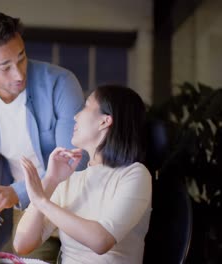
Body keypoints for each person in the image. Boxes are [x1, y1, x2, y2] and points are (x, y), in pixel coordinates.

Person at [0, 10, 86, 255]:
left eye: (21, 58)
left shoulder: (61, 83)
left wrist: (16, 192)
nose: (18, 74)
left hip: (76, 207)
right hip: (31, 216)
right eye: (5, 67)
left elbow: (75, 163)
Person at [14, 85, 152, 263]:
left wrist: (41, 201)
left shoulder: (135, 174)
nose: (75, 116)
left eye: (86, 106)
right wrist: (50, 180)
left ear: (104, 121)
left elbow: (101, 241)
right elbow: (22, 244)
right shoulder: (70, 180)